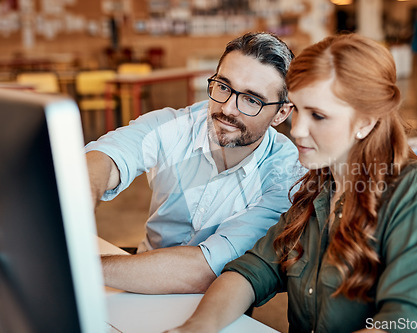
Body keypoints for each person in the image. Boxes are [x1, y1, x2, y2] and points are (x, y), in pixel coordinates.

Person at [167, 34, 417, 333]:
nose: (299, 130)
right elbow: (254, 269)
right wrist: (197, 327)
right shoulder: (319, 184)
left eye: (318, 115)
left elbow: (406, 323)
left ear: (365, 122)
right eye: (298, 110)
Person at [85, 32, 303, 294]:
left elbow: (205, 271)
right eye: (223, 87)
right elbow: (106, 156)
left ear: (281, 113)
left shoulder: (286, 174)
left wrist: (84, 267)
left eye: (251, 100)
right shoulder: (177, 125)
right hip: (136, 279)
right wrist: (80, 200)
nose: (228, 109)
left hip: (219, 302)